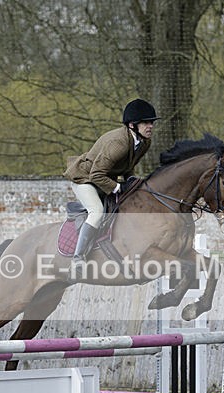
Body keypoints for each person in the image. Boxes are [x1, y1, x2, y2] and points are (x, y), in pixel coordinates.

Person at [64, 98, 159, 278]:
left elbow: (126, 165)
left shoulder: (144, 142)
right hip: (85, 179)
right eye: (146, 122)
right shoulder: (118, 143)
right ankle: (78, 258)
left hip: (104, 178)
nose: (150, 126)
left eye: (152, 122)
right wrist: (118, 187)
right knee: (97, 212)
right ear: (132, 125)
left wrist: (131, 181)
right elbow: (96, 175)